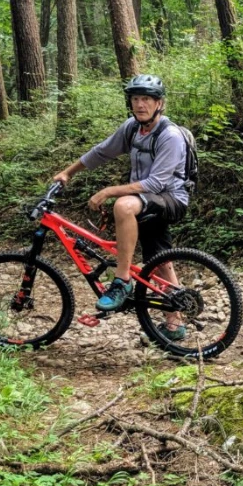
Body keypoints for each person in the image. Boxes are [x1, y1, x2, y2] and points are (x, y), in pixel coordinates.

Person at [53, 74, 190, 340]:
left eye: (147, 99)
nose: (140, 104)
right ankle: (175, 322)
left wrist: (109, 191)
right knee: (158, 258)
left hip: (171, 198)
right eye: (136, 99)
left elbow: (156, 182)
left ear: (159, 103)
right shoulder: (132, 128)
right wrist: (68, 172)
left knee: (124, 206)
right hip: (148, 201)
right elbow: (101, 151)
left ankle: (122, 281)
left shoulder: (170, 135)